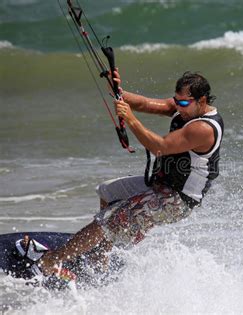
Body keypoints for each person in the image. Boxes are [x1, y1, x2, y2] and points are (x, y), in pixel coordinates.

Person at [37, 71, 224, 277]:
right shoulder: (185, 108)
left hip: (177, 199)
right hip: (161, 185)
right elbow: (143, 103)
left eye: (184, 104)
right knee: (107, 192)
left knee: (106, 222)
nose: (178, 107)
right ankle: (100, 259)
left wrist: (130, 118)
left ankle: (52, 261)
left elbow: (160, 146)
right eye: (176, 101)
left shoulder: (203, 128)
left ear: (202, 100)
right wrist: (116, 89)